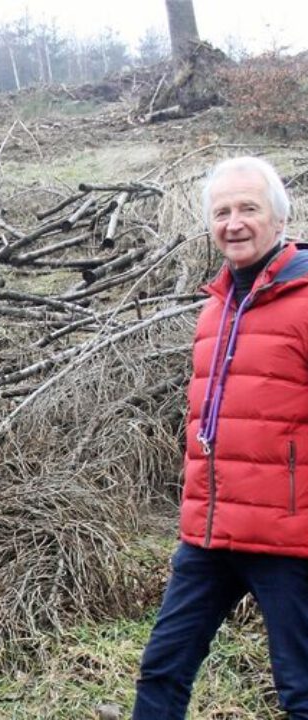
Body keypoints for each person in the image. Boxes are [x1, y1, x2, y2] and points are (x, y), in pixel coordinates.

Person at [132, 156, 308, 719]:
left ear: (279, 219)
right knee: (163, 669)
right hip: (209, 534)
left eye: (248, 209)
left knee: (301, 691)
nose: (233, 223)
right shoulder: (217, 305)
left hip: (288, 540)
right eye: (222, 212)